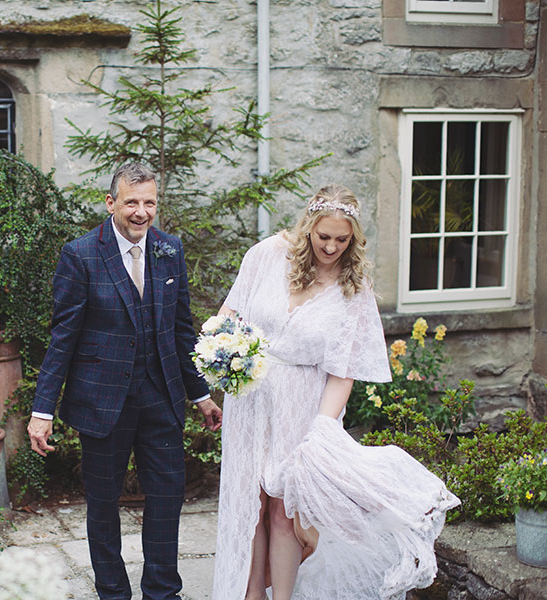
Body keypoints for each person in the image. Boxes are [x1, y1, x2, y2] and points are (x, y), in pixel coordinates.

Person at [212, 185, 460, 600]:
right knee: (249, 503)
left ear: (353, 238)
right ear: (308, 227)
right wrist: (223, 353)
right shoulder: (267, 255)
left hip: (305, 404)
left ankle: (283, 596)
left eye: (341, 240)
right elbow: (229, 314)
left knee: (286, 507)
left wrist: (321, 431)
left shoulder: (353, 288)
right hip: (250, 397)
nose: (330, 247)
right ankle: (251, 594)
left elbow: (343, 372)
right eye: (323, 236)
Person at [29, 162, 223, 600]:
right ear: (111, 202)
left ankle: (162, 591)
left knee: (167, 499)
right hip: (102, 402)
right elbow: (63, 338)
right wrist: (42, 411)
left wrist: (201, 395)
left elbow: (181, 331)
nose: (141, 212)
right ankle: (113, 593)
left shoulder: (170, 250)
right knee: (103, 505)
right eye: (132, 202)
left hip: (161, 397)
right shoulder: (80, 254)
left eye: (149, 202)